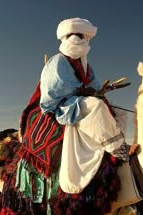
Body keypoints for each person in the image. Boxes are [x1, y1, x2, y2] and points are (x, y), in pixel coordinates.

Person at [39, 17, 129, 194]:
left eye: (82, 36)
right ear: (66, 38)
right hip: (63, 105)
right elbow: (57, 87)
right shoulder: (57, 61)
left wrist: (98, 91)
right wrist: (84, 91)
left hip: (81, 99)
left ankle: (115, 144)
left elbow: (93, 84)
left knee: (119, 113)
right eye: (76, 35)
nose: (79, 39)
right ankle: (116, 148)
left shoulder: (85, 64)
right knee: (96, 107)